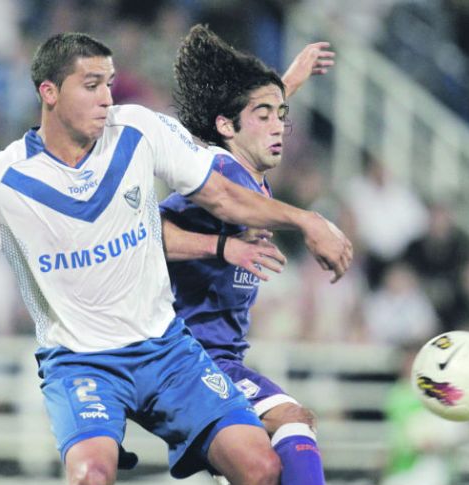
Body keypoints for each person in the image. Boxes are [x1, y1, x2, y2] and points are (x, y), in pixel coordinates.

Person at [0, 32, 351, 485]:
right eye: (91, 85)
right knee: (91, 474)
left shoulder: (138, 131)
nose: (108, 98)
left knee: (260, 467)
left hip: (166, 349)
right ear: (49, 92)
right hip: (82, 361)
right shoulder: (1, 181)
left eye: (109, 83)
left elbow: (223, 188)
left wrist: (308, 220)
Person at [159, 25, 346, 485]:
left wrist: (289, 83)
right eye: (266, 114)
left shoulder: (247, 174)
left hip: (221, 357)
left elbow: (252, 121)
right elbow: (144, 230)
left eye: (282, 114)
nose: (279, 124)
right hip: (188, 357)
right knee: (292, 419)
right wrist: (225, 245)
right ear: (226, 126)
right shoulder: (220, 173)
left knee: (259, 466)